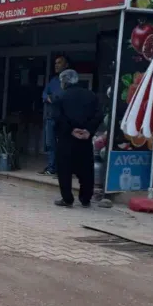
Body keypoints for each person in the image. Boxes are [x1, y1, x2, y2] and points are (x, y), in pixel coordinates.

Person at [52, 69, 102, 208]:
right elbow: (99, 115)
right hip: (85, 139)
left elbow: (57, 117)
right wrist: (88, 130)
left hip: (67, 139)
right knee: (86, 169)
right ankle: (85, 198)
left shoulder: (60, 97)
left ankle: (67, 199)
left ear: (64, 82)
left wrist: (71, 130)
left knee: (64, 170)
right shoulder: (91, 96)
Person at [40, 55, 69, 176]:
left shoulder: (69, 81)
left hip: (64, 118)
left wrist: (53, 97)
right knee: (50, 143)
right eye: (55, 63)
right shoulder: (53, 80)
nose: (56, 65)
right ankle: (52, 167)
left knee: (64, 144)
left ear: (66, 65)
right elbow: (44, 94)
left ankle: (63, 169)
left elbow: (62, 96)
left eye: (59, 63)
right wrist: (49, 97)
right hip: (51, 117)